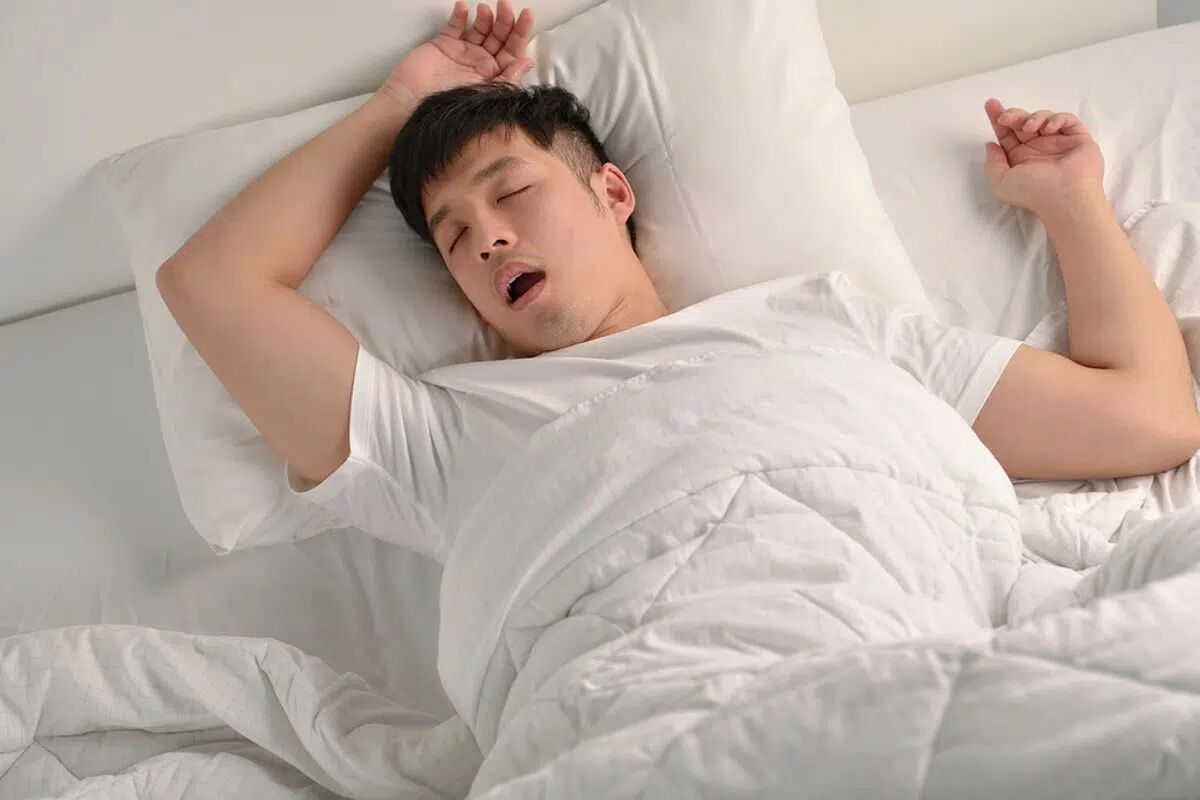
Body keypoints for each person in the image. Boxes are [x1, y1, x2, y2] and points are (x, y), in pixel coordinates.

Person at [157, 0, 1200, 561]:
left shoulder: (822, 327)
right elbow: (210, 283)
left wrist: (1072, 204)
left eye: (510, 192)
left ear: (613, 191)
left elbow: (1148, 419)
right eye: (453, 235)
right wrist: (398, 105)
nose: (486, 240)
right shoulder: (441, 436)